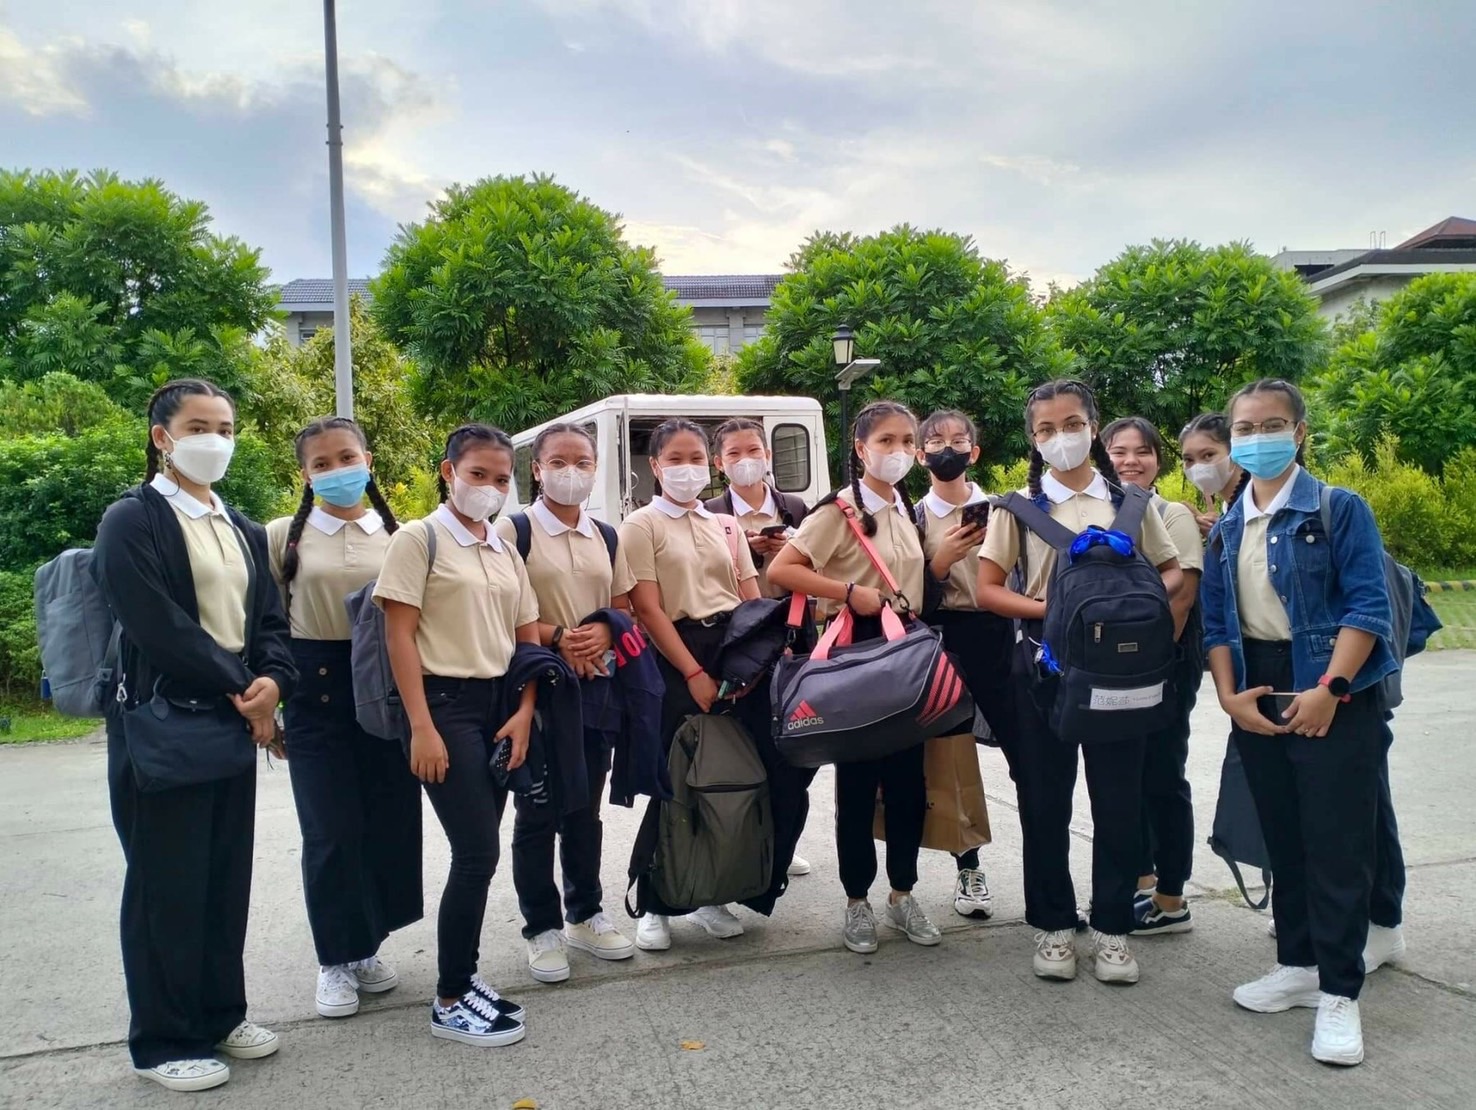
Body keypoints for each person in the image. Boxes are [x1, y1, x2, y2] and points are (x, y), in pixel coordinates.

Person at [94, 379, 298, 1092]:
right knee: (165, 884)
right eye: (198, 425)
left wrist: (273, 678)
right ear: (162, 437)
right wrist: (240, 687)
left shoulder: (237, 525)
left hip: (229, 718)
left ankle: (220, 1012)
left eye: (226, 425)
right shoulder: (133, 520)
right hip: (164, 719)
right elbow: (157, 624)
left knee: (221, 877)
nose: (215, 438)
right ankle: (162, 1039)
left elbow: (268, 617)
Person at [1201, 378, 1396, 1067]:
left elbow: (1369, 608)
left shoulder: (1339, 509)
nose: (1258, 438)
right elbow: (1218, 622)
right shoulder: (1227, 527)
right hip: (1258, 690)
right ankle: (1298, 964)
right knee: (1284, 839)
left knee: (1337, 848)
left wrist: (1330, 689)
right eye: (1245, 428)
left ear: (1301, 431)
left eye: (1272, 424)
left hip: (1331, 692)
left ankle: (1340, 994)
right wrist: (1230, 699)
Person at [976, 380, 1182, 986]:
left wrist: (1123, 613)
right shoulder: (1017, 507)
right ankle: (1054, 926)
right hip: (1043, 672)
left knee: (1120, 802)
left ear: (1093, 427)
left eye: (1070, 424)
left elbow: (1170, 573)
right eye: (1044, 429)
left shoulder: (1133, 505)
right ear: (1033, 440)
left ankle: (1114, 929)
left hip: (1121, 676)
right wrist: (1059, 614)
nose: (1058, 438)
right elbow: (989, 589)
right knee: (1045, 802)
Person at [620, 418, 815, 950]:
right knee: (678, 779)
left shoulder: (723, 525)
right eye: (675, 459)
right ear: (655, 467)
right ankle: (655, 900)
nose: (688, 469)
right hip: (677, 660)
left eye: (697, 459)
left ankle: (714, 891)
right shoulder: (641, 526)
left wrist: (763, 658)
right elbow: (649, 609)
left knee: (739, 777)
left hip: (736, 655)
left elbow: (751, 598)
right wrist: (692, 673)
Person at [374, 424, 538, 1048]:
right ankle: (449, 997)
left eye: (501, 479)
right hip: (444, 705)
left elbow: (527, 639)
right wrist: (421, 725)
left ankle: (464, 981)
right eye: (477, 475)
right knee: (477, 854)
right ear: (448, 472)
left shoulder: (503, 547)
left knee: (481, 848)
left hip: (500, 702)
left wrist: (524, 712)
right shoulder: (418, 540)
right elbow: (399, 637)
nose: (491, 488)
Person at [768, 400, 943, 955]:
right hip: (857, 658)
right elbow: (782, 570)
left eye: (906, 442)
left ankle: (902, 893)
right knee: (860, 785)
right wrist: (847, 592)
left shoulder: (902, 507)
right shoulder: (838, 511)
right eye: (884, 441)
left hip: (905, 655)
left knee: (910, 787)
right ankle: (857, 901)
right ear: (860, 449)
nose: (897, 451)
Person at [266, 417, 423, 1020]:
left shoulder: (401, 535)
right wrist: (273, 703)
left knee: (385, 822)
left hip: (383, 690)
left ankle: (366, 946)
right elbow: (270, 625)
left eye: (345, 458)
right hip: (315, 692)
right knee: (329, 831)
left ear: (369, 460)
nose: (336, 471)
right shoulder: (285, 535)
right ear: (304, 474)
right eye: (321, 464)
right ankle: (333, 958)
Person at [493, 423, 638, 982]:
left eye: (582, 461)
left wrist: (603, 633)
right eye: (559, 461)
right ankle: (541, 927)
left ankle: (586, 911)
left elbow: (621, 606)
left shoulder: (607, 534)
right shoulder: (514, 530)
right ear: (538, 467)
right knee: (536, 810)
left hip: (597, 688)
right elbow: (500, 610)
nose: (571, 471)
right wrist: (559, 639)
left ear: (596, 468)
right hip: (539, 685)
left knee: (584, 806)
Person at [914, 409, 1017, 919]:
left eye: (958, 440)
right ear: (920, 454)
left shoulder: (1005, 511)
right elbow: (907, 597)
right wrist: (939, 562)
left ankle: (1049, 869)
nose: (946, 448)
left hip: (1002, 637)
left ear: (974, 452)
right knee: (952, 760)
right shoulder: (911, 518)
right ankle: (968, 868)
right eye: (935, 441)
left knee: (1027, 752)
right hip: (943, 639)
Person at [1102, 417, 1204, 935]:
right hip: (1118, 672)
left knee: (1163, 778)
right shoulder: (1106, 514)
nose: (1130, 462)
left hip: (1163, 668)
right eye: (1118, 453)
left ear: (1158, 460)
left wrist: (1151, 669)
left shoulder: (1172, 514)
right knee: (1130, 780)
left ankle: (1171, 898)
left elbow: (1180, 598)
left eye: (1141, 452)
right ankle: (1143, 886)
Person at [706, 416, 813, 877]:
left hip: (795, 637)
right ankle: (751, 838)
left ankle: (781, 837)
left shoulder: (795, 506)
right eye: (734, 454)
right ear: (719, 463)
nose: (745, 461)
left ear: (768, 455)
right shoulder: (711, 513)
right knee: (745, 743)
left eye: (753, 450)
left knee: (797, 743)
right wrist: (746, 550)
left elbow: (815, 563)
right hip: (743, 641)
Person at [1180, 413, 1244, 539]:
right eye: (1189, 459)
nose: (1198, 467)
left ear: (1234, 452)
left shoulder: (1258, 503)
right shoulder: (1227, 509)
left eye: (1208, 455)